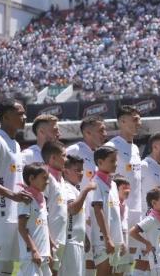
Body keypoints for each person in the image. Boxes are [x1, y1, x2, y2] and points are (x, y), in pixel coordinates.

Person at [0, 99, 32, 276]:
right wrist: (12, 195)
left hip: (13, 213)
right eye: (20, 113)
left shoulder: (15, 144)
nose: (24, 117)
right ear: (6, 117)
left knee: (7, 267)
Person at [104, 105, 143, 272]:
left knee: (129, 263)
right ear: (122, 121)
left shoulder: (135, 148)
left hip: (136, 212)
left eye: (139, 118)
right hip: (118, 214)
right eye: (135, 119)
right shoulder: (110, 147)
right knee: (116, 263)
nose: (139, 122)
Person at [66, 115, 107, 275]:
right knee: (83, 263)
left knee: (96, 262)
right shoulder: (74, 150)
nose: (105, 133)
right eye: (101, 130)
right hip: (78, 218)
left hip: (96, 217)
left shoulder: (99, 154)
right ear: (88, 133)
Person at [138, 132, 160, 274]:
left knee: (157, 265)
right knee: (142, 263)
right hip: (146, 224)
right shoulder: (143, 166)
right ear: (155, 146)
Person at [60, 155, 97, 276]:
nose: (81, 173)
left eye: (82, 170)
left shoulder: (74, 189)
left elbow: (77, 218)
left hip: (77, 242)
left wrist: (84, 236)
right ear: (65, 171)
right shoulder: (66, 187)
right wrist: (86, 190)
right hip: (70, 243)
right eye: (77, 170)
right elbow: (72, 209)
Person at [90, 146, 125, 276]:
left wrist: (119, 239)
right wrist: (107, 238)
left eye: (116, 161)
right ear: (100, 162)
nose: (115, 164)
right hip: (103, 239)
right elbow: (98, 211)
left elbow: (115, 215)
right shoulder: (95, 183)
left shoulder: (114, 184)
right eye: (112, 161)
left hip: (115, 238)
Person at [130, 187, 160, 276]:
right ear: (154, 203)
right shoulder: (151, 219)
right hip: (159, 265)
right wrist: (147, 243)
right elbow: (132, 232)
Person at [17, 163, 51, 276]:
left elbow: (43, 226)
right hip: (31, 256)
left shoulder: (42, 198)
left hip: (43, 255)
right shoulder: (26, 199)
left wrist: (48, 250)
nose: (47, 181)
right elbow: (22, 228)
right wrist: (34, 251)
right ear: (31, 178)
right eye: (44, 178)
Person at [41, 140, 68, 276]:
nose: (66, 159)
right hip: (49, 238)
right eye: (63, 156)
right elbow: (41, 210)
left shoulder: (61, 179)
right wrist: (49, 238)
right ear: (53, 158)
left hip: (60, 237)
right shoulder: (46, 178)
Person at [114, 176, 132, 276]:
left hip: (124, 246)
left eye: (128, 188)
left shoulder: (126, 206)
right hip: (115, 245)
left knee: (121, 273)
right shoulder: (111, 205)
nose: (127, 190)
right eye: (124, 188)